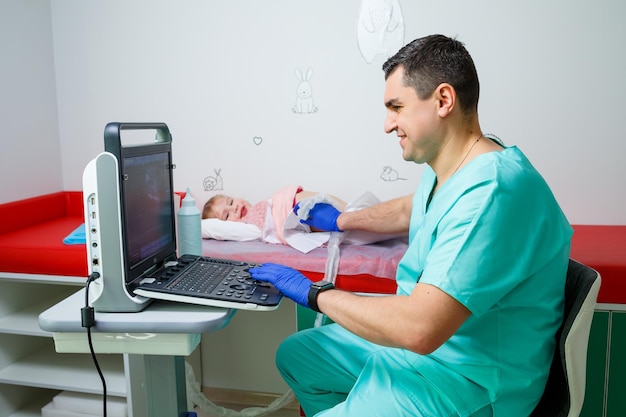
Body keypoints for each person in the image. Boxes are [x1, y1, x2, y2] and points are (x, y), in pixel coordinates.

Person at [249, 34, 572, 416]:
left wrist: (316, 294)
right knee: (298, 355)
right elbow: (412, 209)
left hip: (467, 381)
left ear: (443, 100)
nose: (388, 125)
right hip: (429, 356)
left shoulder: (492, 193)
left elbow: (419, 329)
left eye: (396, 107)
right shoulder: (459, 167)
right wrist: (340, 220)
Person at [202, 186, 347, 244]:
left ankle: (350, 209)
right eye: (226, 215)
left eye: (231, 201)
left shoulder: (261, 206)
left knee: (342, 208)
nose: (234, 208)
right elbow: (208, 228)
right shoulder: (248, 226)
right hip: (292, 214)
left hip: (291, 200)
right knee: (334, 216)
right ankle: (350, 215)